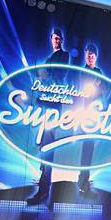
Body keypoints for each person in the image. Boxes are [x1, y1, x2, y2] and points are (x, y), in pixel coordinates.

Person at [27, 28, 70, 205]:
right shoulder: (48, 58)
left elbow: (59, 75)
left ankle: (44, 192)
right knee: (43, 148)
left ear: (62, 40)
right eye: (54, 38)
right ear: (51, 39)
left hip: (53, 109)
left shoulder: (63, 56)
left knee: (48, 148)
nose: (56, 41)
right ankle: (43, 190)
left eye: (59, 38)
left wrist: (46, 74)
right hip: (44, 108)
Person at [77, 43, 103, 199]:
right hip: (83, 115)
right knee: (86, 150)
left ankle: (84, 183)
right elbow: (82, 91)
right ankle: (82, 185)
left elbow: (102, 91)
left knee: (89, 151)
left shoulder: (99, 72)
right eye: (88, 55)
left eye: (92, 55)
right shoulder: (82, 72)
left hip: (94, 115)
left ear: (96, 56)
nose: (90, 57)